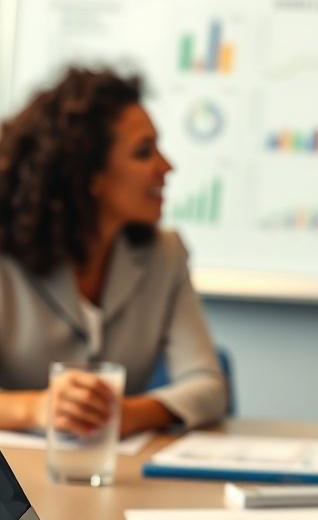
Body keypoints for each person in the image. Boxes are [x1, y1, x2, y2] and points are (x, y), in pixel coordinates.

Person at [0, 67, 228, 438]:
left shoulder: (164, 255)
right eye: (144, 153)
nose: (166, 167)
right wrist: (38, 408)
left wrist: (130, 413)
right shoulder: (6, 254)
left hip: (108, 477)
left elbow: (207, 385)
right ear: (89, 176)